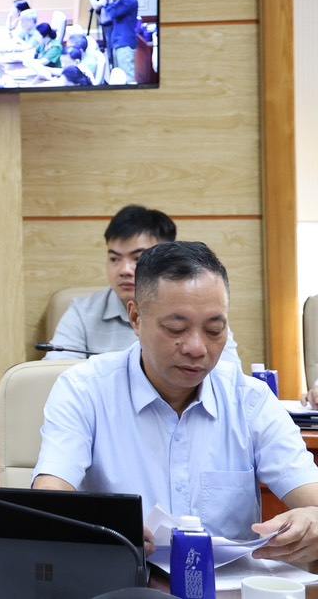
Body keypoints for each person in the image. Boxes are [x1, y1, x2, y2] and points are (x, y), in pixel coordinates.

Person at [33, 242, 318, 562]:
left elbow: (312, 496)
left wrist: (313, 521)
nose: (197, 348)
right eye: (176, 328)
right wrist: (101, 525)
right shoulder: (84, 390)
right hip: (124, 584)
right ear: (136, 318)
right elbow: (50, 499)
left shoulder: (249, 400)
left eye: (214, 329)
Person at [44, 205, 240, 366]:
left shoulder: (196, 310)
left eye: (138, 258)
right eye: (114, 258)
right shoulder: (82, 312)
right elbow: (54, 375)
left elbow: (228, 376)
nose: (124, 269)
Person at [100, 0, 139, 82]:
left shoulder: (130, 1)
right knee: (119, 76)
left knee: (127, 76)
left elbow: (112, 14)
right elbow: (105, 19)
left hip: (125, 43)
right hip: (118, 41)